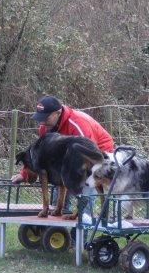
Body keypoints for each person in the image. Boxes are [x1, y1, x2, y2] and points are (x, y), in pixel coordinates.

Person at [11, 95, 115, 236]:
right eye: (40, 118)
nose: (42, 122)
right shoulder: (46, 127)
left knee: (85, 196)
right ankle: (57, 238)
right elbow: (40, 157)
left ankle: (77, 242)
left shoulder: (78, 124)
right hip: (68, 155)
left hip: (97, 154)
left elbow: (88, 152)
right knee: (58, 197)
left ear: (58, 113)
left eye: (46, 118)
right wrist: (24, 174)